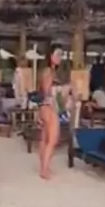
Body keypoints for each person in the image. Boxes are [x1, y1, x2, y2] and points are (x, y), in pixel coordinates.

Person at [38, 46, 63, 180]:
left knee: (45, 138)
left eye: (61, 55)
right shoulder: (50, 71)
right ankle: (44, 169)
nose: (59, 57)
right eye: (57, 54)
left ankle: (44, 167)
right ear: (50, 56)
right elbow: (47, 90)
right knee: (53, 139)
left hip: (43, 106)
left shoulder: (46, 70)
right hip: (49, 106)